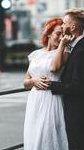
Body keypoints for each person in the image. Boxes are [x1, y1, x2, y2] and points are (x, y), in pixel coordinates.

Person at [48, 8, 84, 150]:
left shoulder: (81, 51)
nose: (62, 27)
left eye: (64, 24)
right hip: (77, 111)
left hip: (77, 112)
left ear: (73, 27)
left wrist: (51, 85)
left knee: (76, 146)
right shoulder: (76, 47)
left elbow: (78, 86)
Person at [23, 17, 73, 150]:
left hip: (51, 99)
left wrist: (62, 45)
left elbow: (53, 68)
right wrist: (33, 81)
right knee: (33, 136)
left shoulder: (64, 52)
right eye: (58, 34)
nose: (60, 37)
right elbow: (25, 83)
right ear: (49, 33)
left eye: (62, 34)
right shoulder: (35, 54)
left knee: (46, 138)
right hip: (35, 100)